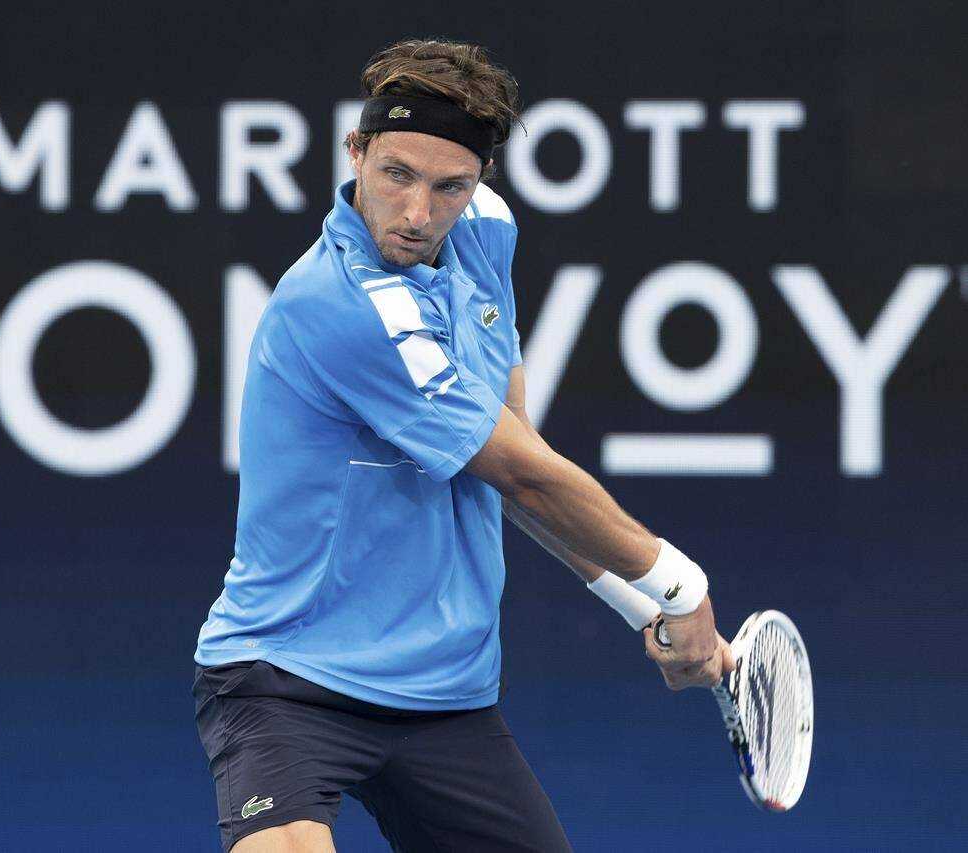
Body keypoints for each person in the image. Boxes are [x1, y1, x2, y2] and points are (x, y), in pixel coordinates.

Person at [193, 38, 730, 853]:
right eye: (397, 174)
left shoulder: (485, 235)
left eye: (451, 186)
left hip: (446, 696)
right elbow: (522, 475)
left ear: (481, 184)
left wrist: (636, 604)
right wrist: (679, 587)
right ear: (356, 151)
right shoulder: (339, 304)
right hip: (287, 678)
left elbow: (512, 455)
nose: (417, 213)